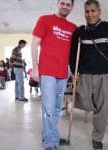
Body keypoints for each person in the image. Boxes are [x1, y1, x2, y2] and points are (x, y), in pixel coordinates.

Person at [70, 0, 108, 149]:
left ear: (99, 11)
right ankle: (95, 112)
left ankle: (97, 137)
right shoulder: (79, 31)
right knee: (83, 100)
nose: (90, 14)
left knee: (102, 108)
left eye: (93, 11)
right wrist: (73, 72)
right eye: (87, 11)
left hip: (104, 75)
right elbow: (72, 54)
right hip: (84, 75)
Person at [31, 0, 76, 149]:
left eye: (68, 4)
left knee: (57, 108)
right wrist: (35, 69)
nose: (65, 6)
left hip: (63, 73)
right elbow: (34, 44)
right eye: (62, 3)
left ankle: (51, 136)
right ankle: (50, 142)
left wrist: (73, 72)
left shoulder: (73, 28)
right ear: (58, 4)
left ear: (72, 7)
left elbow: (73, 53)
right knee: (48, 108)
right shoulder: (45, 19)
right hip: (47, 72)